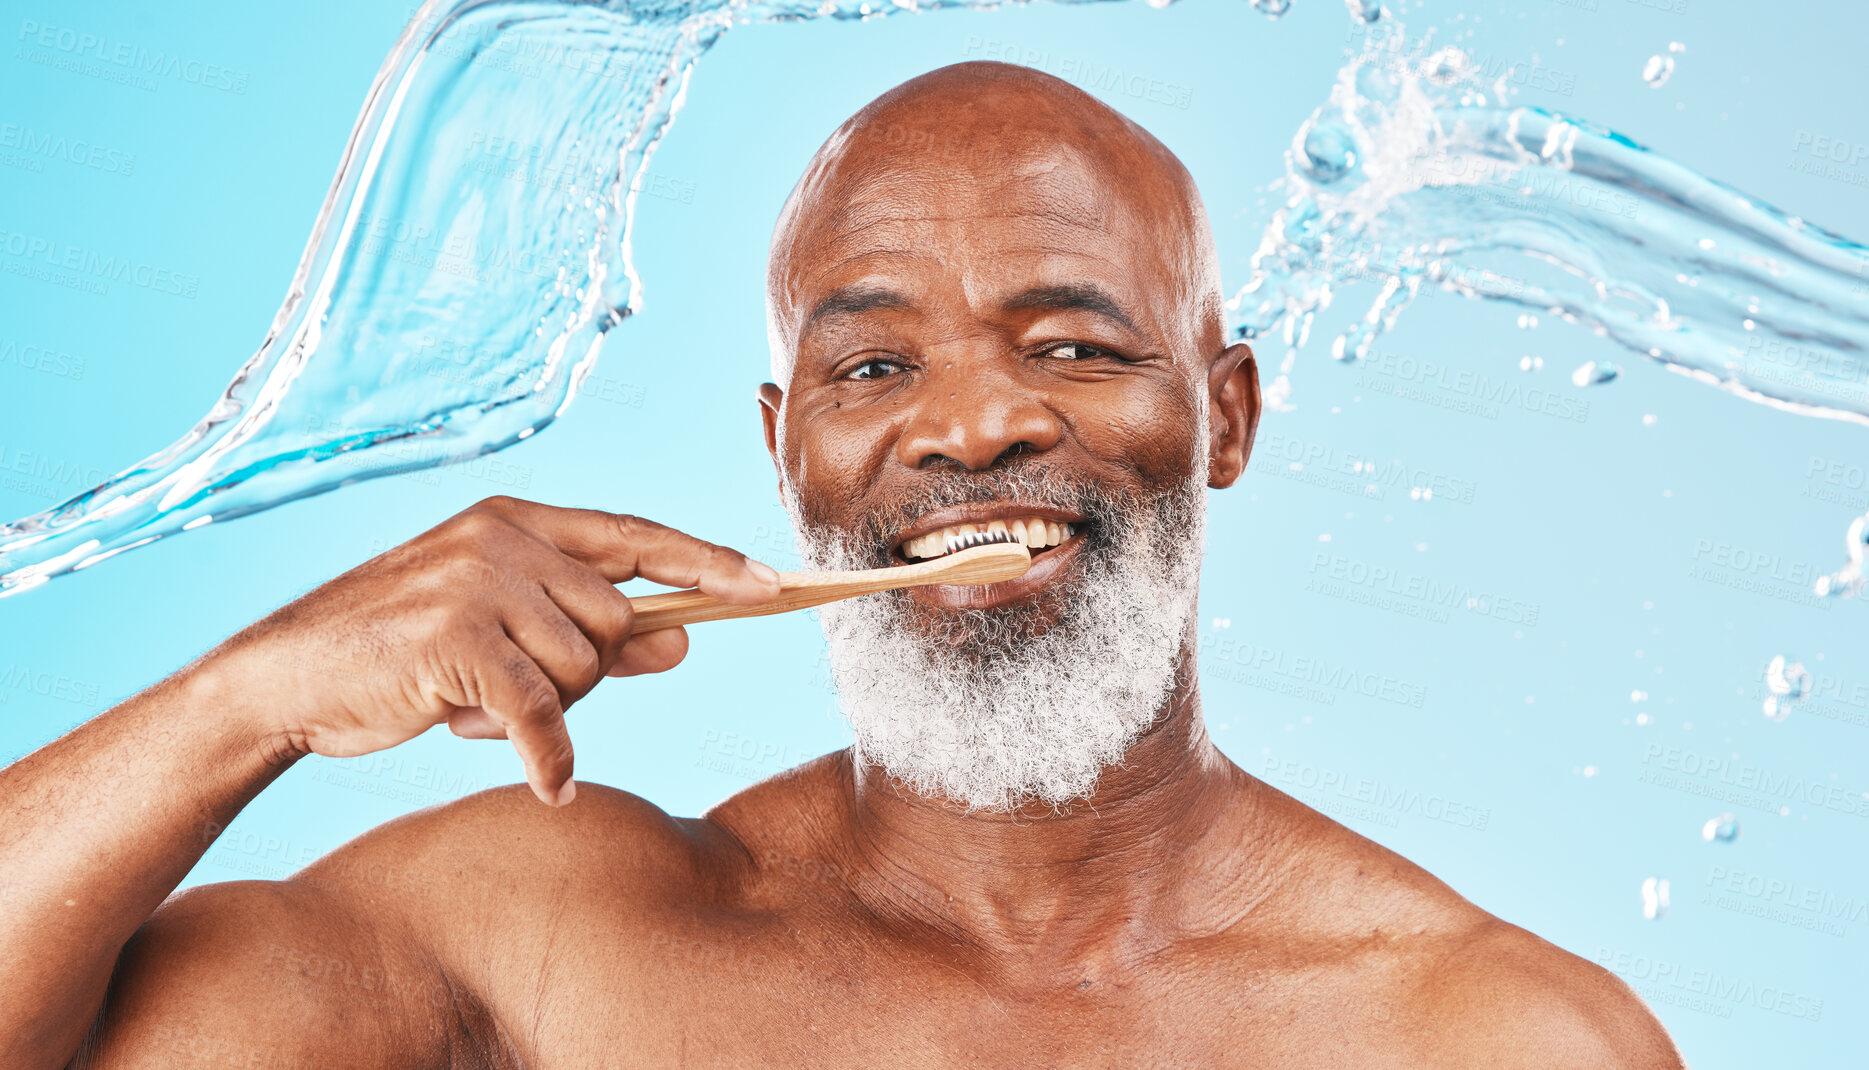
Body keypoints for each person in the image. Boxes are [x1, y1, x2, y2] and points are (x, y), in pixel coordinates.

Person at [0, 61, 1683, 1068]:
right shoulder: (537, 943)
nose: (970, 427)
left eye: (1078, 347)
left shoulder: (1484, 1036)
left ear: (1224, 415)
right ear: (782, 444)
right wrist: (254, 692)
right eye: (873, 370)